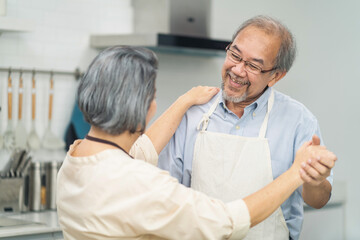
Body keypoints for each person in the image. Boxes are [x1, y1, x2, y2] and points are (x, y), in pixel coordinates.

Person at [56, 46, 336, 240]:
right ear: (141, 107)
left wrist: (185, 100)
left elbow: (137, 153)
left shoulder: (76, 158)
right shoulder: (140, 182)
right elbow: (227, 221)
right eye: (153, 96)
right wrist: (296, 171)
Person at [158, 15, 335, 240]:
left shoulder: (299, 121)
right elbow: (166, 191)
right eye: (234, 55)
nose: (238, 70)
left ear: (276, 76)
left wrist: (315, 180)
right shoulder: (193, 113)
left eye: (252, 65)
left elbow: (317, 200)